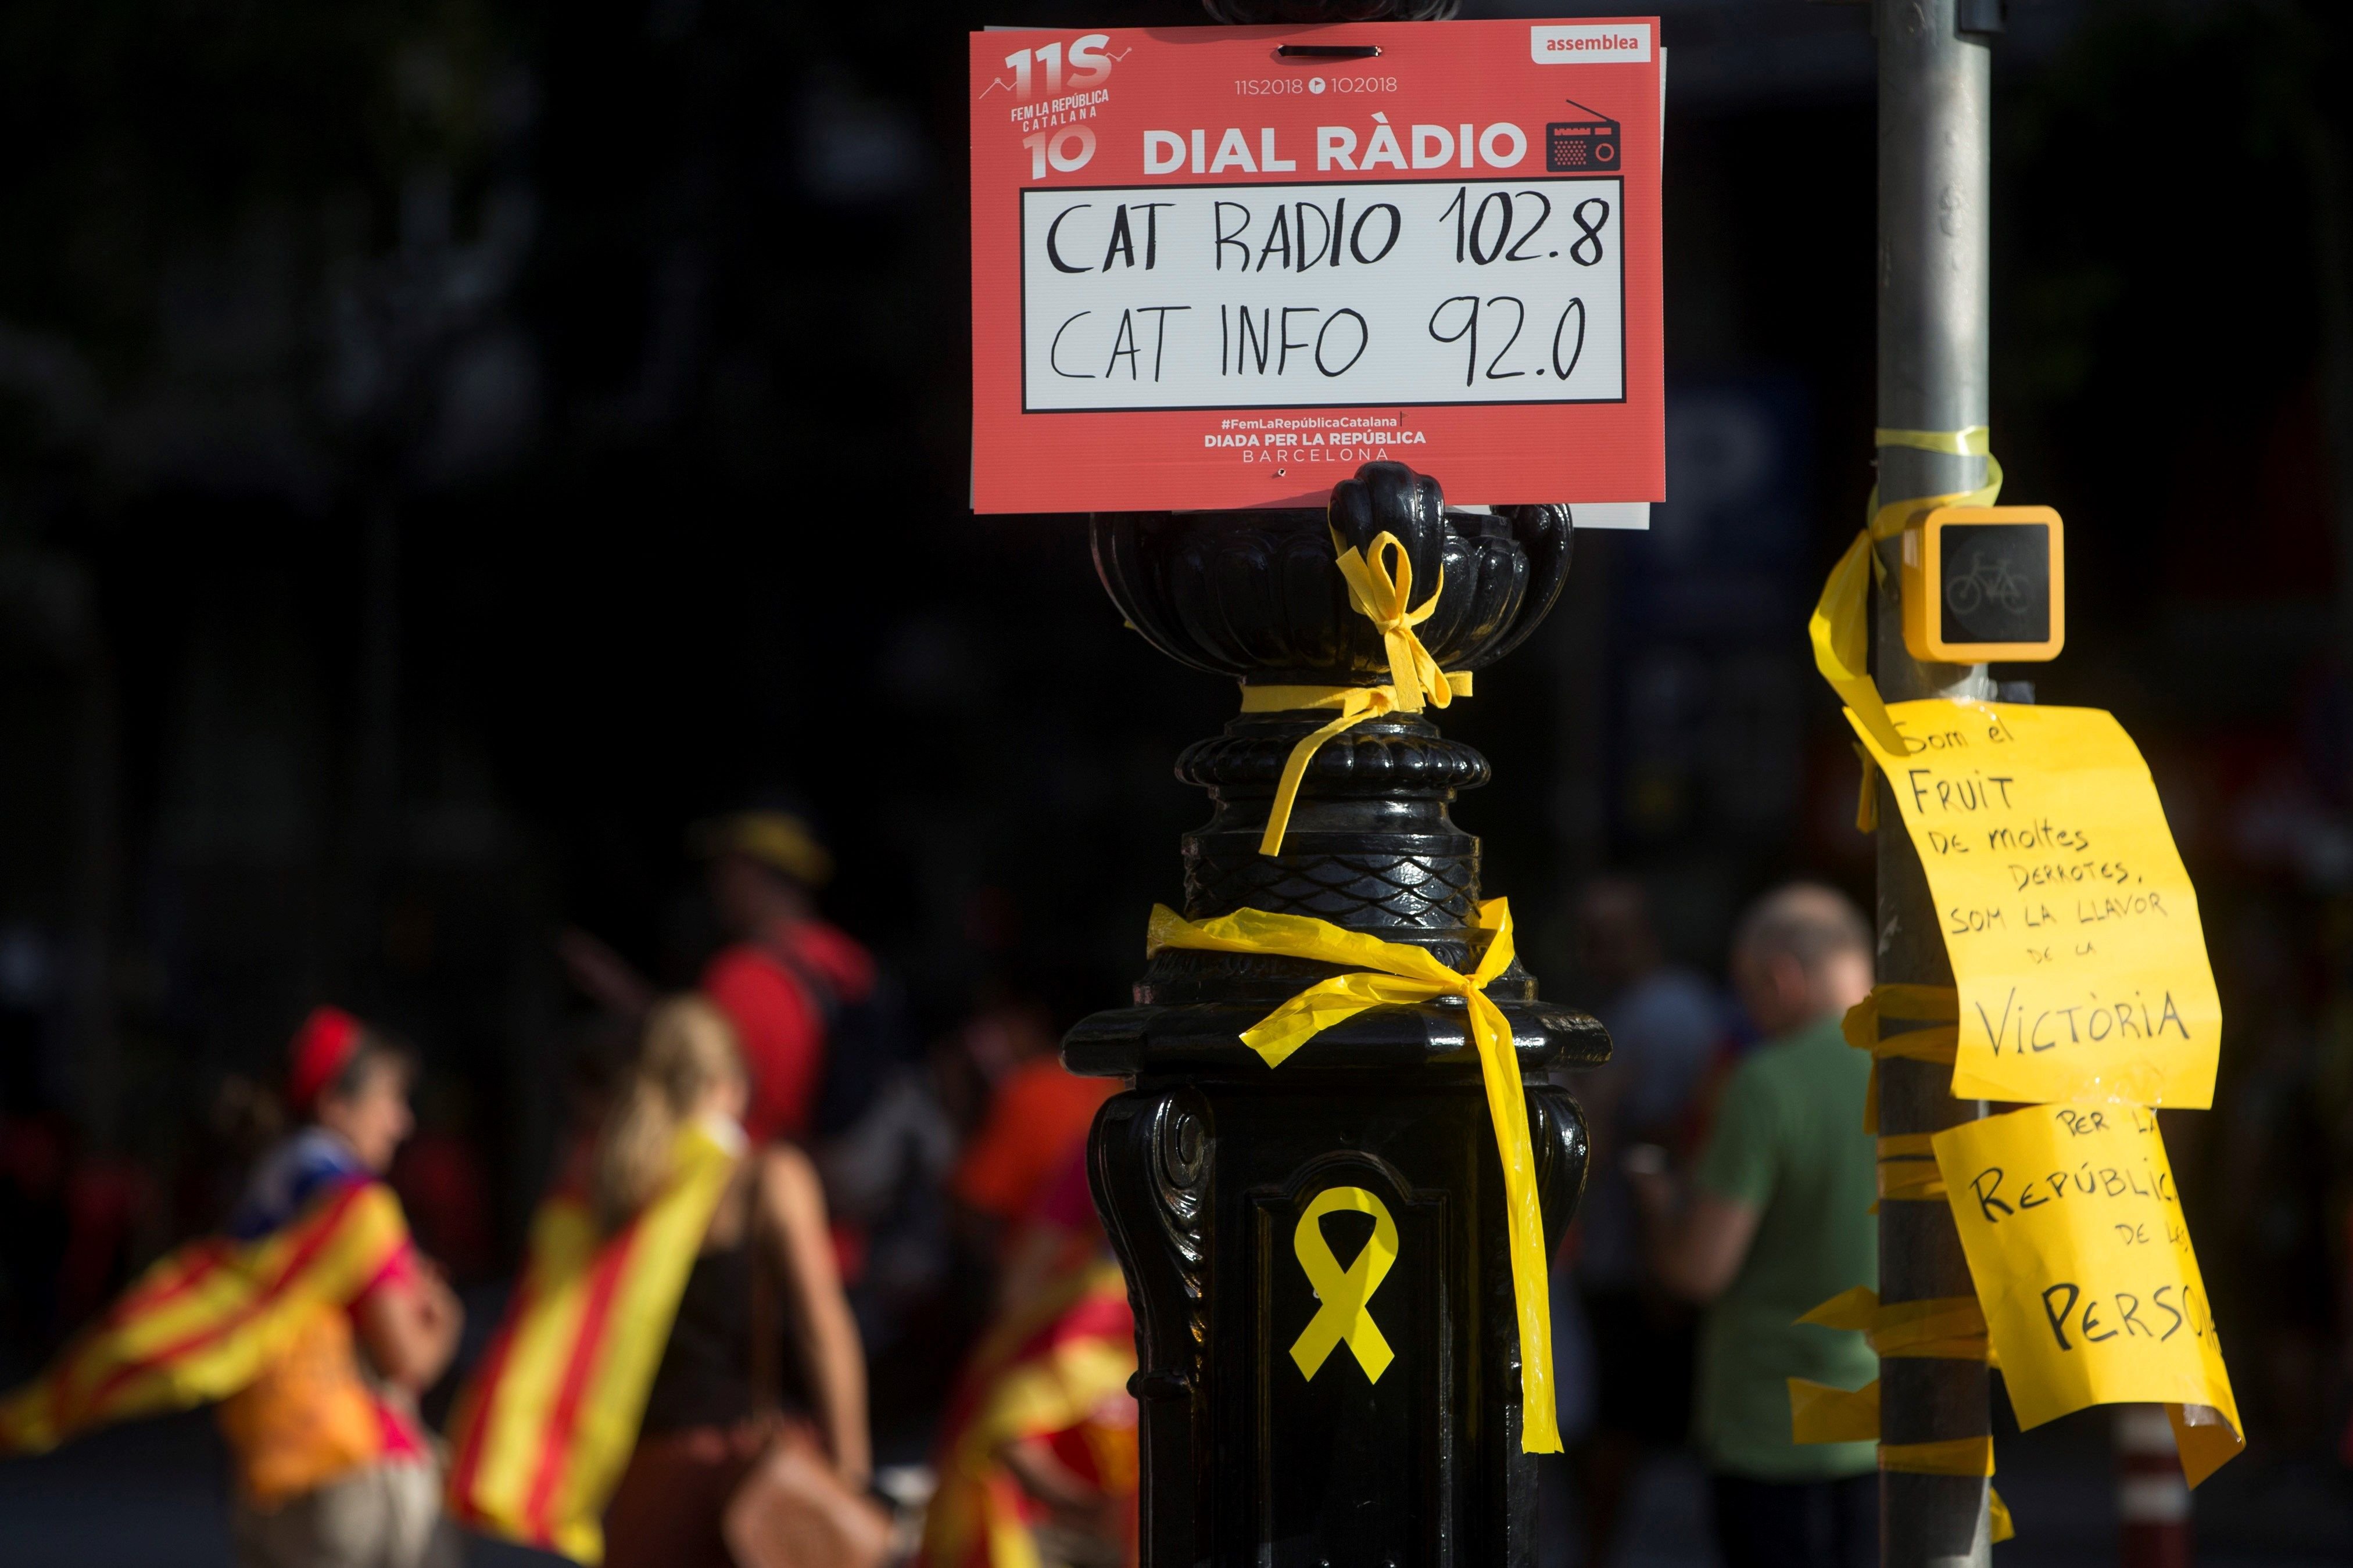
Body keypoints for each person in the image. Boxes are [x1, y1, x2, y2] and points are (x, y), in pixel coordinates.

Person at [0, 1006, 464, 1568]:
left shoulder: (266, 1188)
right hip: (354, 1469)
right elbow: (405, 1358)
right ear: (335, 1104)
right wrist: (443, 1315)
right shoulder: (357, 1210)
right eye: (390, 1100)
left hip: (263, 1475)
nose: (402, 1121)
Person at [445, 997, 870, 1567]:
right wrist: (851, 1470)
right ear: (728, 1082)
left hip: (632, 1482)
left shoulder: (602, 1178)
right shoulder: (761, 1177)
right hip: (737, 1476)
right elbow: (824, 1330)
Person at [1629, 883, 1879, 1568]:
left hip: (1772, 1426)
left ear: (1781, 977)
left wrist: (1655, 1201)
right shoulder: (1929, 1069)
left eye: (1748, 989)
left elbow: (1699, 1270)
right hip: (1898, 1420)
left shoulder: (1765, 1082)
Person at [1561, 876, 1727, 1562]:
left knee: (1620, 1425)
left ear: (1647, 931)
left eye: (1614, 931)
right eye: (1590, 933)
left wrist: (1662, 1259)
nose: (1599, 948)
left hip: (1640, 1264)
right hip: (1619, 1260)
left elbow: (1657, 1144)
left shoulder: (1664, 1013)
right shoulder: (1627, 1009)